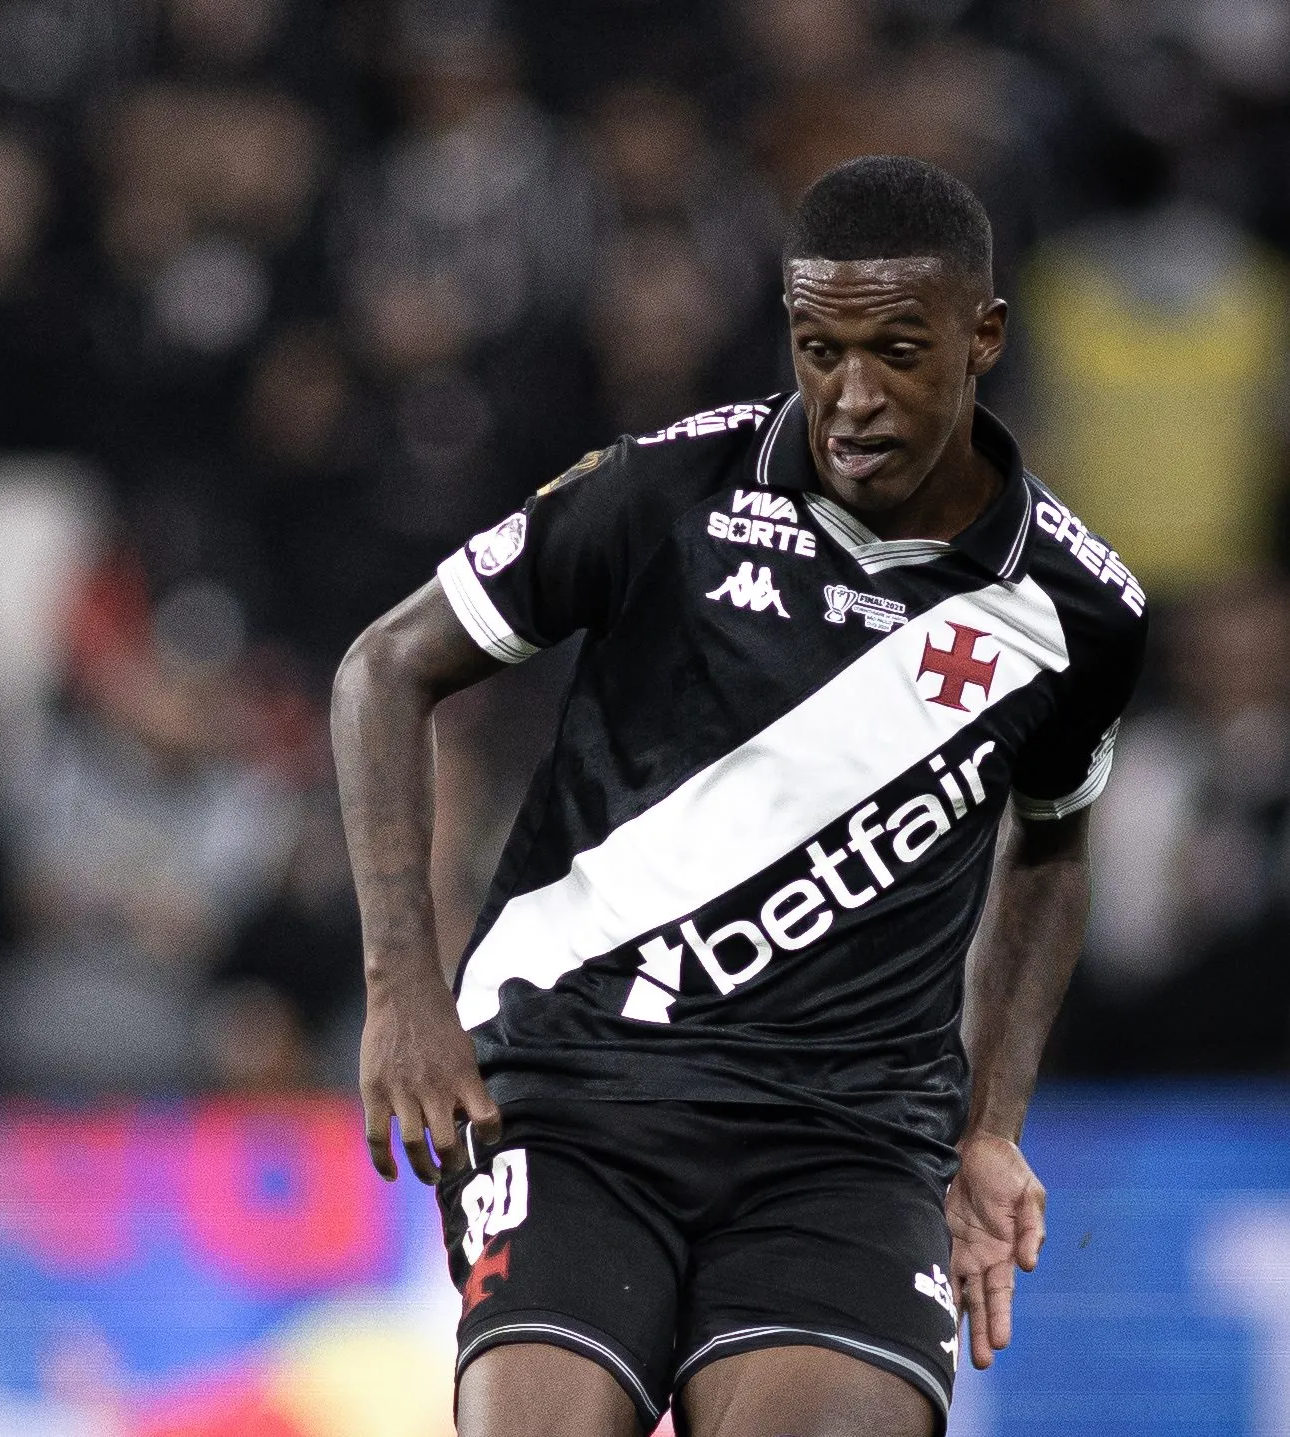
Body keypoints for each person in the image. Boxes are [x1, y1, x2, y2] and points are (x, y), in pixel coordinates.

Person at [330, 155, 1145, 1437]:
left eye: (895, 351)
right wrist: (403, 995)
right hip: (571, 1088)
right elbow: (383, 667)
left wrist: (988, 1128)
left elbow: (1050, 846)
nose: (851, 399)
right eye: (819, 351)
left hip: (849, 1143)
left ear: (983, 336)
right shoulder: (669, 491)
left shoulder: (1077, 613)